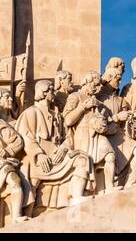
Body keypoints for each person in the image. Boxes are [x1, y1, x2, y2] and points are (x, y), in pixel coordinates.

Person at [15, 81, 92, 215]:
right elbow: (25, 136)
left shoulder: (58, 115)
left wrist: (64, 148)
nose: (53, 93)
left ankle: (77, 196)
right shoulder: (31, 112)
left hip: (58, 156)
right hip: (40, 159)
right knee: (30, 181)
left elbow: (68, 137)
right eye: (50, 90)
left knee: (82, 159)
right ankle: (26, 214)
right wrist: (39, 155)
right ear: (43, 93)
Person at [63, 72, 122, 195]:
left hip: (98, 135)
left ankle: (109, 186)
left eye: (99, 86)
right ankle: (78, 193)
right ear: (87, 82)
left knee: (110, 155)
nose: (98, 88)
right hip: (82, 134)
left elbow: (110, 123)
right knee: (85, 163)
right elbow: (68, 120)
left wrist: (105, 126)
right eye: (95, 85)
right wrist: (83, 107)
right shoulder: (75, 96)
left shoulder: (100, 103)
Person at [97, 67, 136, 188]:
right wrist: (117, 117)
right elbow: (97, 121)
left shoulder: (121, 100)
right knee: (111, 158)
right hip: (107, 135)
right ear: (109, 78)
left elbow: (128, 115)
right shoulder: (99, 99)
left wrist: (134, 117)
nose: (120, 82)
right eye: (117, 79)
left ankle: (131, 182)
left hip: (120, 135)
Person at [0, 88, 28, 223]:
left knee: (15, 180)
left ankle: (16, 216)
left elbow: (18, 141)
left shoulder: (2, 124)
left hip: (2, 163)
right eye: (7, 97)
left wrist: (7, 151)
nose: (10, 99)